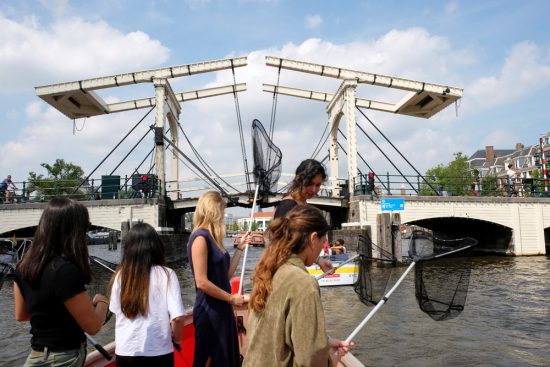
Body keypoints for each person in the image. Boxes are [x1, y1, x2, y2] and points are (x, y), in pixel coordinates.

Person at [244, 205, 353, 366]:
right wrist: (332, 360)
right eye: (323, 242)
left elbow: (276, 332)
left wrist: (325, 342)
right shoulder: (304, 284)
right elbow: (311, 360)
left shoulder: (269, 270)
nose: (320, 252)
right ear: (313, 238)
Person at [13, 197, 109, 367]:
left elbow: (22, 315)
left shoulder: (22, 267)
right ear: (74, 231)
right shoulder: (65, 271)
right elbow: (93, 326)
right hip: (65, 358)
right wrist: (102, 302)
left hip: (37, 356)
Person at [109, 222, 185, 367]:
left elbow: (116, 311)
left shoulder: (120, 276)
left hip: (126, 352)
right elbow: (178, 318)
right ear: (156, 247)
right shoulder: (167, 275)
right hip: (159, 353)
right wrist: (178, 339)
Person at [187, 191, 246, 367]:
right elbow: (202, 282)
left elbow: (225, 275)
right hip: (209, 310)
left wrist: (240, 249)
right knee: (209, 358)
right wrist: (231, 298)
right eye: (221, 210)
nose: (223, 214)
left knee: (224, 358)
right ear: (214, 210)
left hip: (222, 310)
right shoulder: (200, 238)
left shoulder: (214, 239)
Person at [274, 159, 333, 273]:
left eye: (318, 185)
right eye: (310, 184)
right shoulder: (287, 206)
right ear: (299, 180)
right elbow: (278, 248)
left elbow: (298, 246)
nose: (314, 190)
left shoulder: (303, 205)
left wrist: (318, 260)